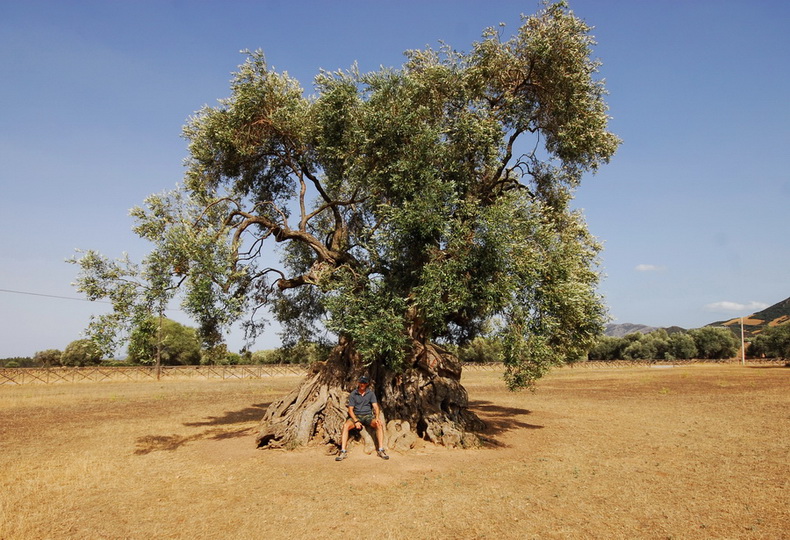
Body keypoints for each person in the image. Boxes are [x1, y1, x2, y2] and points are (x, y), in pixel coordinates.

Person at [336, 376, 389, 461]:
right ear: (358, 383)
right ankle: (343, 451)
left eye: (364, 383)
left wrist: (377, 417)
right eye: (361, 382)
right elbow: (350, 410)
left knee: (379, 425)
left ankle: (381, 450)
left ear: (367, 384)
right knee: (346, 426)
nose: (362, 384)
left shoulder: (371, 394)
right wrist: (356, 421)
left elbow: (375, 407)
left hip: (368, 416)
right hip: (356, 416)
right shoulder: (354, 394)